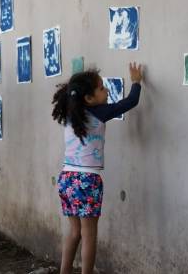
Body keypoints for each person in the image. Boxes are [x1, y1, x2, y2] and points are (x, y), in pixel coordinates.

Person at [51, 62, 144, 274]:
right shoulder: (99, 112)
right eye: (102, 88)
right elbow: (130, 102)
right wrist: (136, 81)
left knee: (74, 232)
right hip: (87, 181)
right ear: (89, 98)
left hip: (66, 178)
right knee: (89, 234)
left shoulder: (69, 113)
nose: (107, 90)